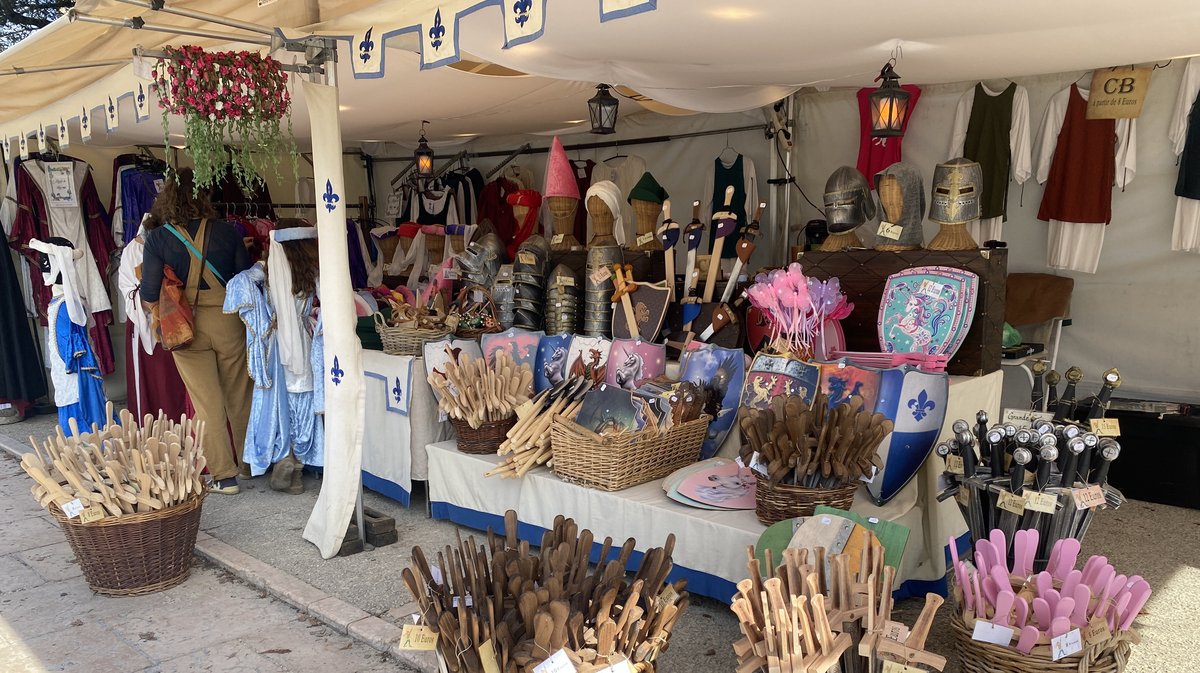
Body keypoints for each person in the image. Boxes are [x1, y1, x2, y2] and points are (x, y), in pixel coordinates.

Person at [140, 169, 254, 495]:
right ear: (205, 197)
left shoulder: (158, 239)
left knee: (206, 403)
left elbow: (149, 292)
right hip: (228, 320)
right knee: (240, 395)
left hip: (184, 325)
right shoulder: (228, 232)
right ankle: (249, 464)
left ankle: (224, 476)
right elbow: (244, 279)